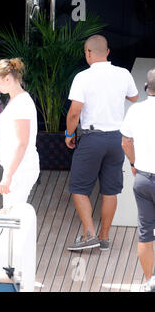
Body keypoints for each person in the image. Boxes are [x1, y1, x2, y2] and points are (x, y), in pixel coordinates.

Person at [65, 35, 138, 251]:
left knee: (79, 188)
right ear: (107, 52)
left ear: (87, 53)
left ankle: (89, 235)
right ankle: (104, 238)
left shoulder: (82, 77)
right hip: (117, 139)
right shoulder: (123, 74)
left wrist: (69, 133)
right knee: (110, 191)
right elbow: (133, 97)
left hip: (92, 139)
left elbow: (74, 112)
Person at [120, 67, 155, 292]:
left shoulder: (135, 111)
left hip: (143, 178)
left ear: (145, 87)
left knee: (145, 233)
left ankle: (150, 280)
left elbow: (126, 142)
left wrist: (133, 164)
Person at [0, 58, 40, 214]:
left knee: (12, 216)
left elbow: (22, 143)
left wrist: (8, 175)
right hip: (18, 167)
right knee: (11, 214)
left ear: (7, 78)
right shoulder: (17, 100)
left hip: (21, 168)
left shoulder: (21, 103)